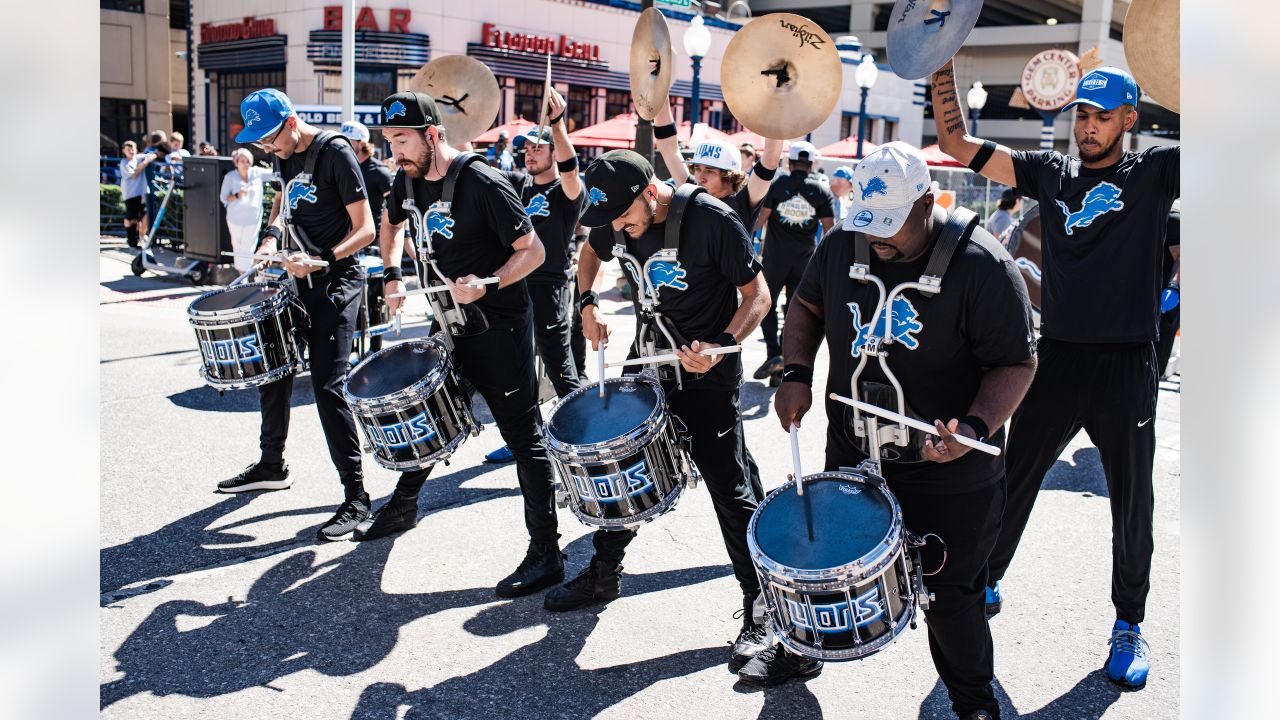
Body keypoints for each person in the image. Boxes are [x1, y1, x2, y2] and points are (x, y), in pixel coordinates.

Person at [931, 60, 1179, 689]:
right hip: (1058, 357)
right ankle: (986, 578)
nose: (1088, 128)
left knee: (1132, 502)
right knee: (1010, 478)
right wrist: (939, 63)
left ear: (1129, 119)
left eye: (1102, 117)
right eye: (1082, 116)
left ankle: (1128, 623)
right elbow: (958, 145)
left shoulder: (1154, 174)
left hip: (1127, 363)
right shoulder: (1051, 173)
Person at [765, 143, 1036, 716]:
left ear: (925, 202)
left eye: (890, 226)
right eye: (868, 223)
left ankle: (972, 701)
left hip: (949, 468)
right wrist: (795, 371)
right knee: (823, 558)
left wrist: (975, 425)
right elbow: (807, 307)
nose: (877, 238)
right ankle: (801, 646)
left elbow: (1017, 363)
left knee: (949, 595)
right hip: (855, 446)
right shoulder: (843, 244)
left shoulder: (983, 264)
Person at [564, 150, 773, 677]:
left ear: (650, 193)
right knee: (625, 466)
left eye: (625, 218)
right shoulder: (616, 219)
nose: (618, 229)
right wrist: (586, 303)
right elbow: (591, 250)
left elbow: (759, 296)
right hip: (651, 358)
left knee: (729, 485)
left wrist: (722, 345)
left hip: (709, 368)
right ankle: (604, 570)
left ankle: (761, 606)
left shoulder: (711, 219)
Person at [361, 91, 568, 602]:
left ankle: (547, 554)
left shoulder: (481, 182)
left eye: (403, 140)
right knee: (431, 410)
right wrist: (391, 273)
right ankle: (405, 503)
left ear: (433, 134)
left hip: (498, 324)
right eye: (389, 141)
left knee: (524, 438)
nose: (395, 152)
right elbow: (390, 223)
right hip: (449, 321)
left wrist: (490, 282)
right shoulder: (406, 179)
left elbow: (535, 251)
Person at [216, 88, 377, 546]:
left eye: (269, 139)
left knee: (328, 388)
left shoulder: (335, 153)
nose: (266, 149)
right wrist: (269, 241)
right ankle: (272, 465)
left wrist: (323, 258)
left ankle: (356, 496)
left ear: (291, 123)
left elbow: (365, 229)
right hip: (297, 278)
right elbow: (281, 204)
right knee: (275, 369)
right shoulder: (285, 157)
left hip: (337, 280)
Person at [485, 89, 586, 464]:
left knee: (559, 365)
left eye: (537, 149)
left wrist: (558, 126)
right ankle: (522, 438)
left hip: (551, 286)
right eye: (525, 150)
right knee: (516, 366)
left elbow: (572, 170)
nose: (529, 154)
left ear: (552, 152)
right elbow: (480, 174)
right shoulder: (520, 185)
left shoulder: (566, 190)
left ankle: (581, 436)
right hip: (517, 283)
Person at [753, 141, 836, 380]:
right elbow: (829, 230)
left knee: (766, 304)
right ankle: (784, 362)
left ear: (790, 163)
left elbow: (760, 220)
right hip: (805, 263)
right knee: (794, 311)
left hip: (774, 259)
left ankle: (773, 354)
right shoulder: (821, 191)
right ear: (810, 165)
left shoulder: (779, 184)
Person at [652, 99, 782, 231]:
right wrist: (661, 92)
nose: (700, 177)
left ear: (730, 177)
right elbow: (668, 148)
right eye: (697, 168)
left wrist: (775, 101)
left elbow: (770, 161)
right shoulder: (693, 191)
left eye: (710, 171)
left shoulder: (743, 202)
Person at [219, 148, 271, 272]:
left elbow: (274, 174)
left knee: (249, 247)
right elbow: (223, 198)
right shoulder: (230, 177)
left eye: (247, 161)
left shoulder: (257, 172)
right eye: (242, 161)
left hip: (253, 218)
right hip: (235, 219)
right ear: (237, 163)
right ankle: (243, 275)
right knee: (238, 247)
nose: (245, 164)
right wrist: (237, 195)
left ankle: (246, 274)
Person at [340, 120, 395, 231]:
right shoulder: (340, 167)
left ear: (362, 144)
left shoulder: (379, 171)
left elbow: (395, 210)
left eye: (348, 142)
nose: (342, 146)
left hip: (372, 240)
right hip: (346, 236)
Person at [1155, 207, 1180, 380]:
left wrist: (1173, 286)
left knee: (1153, 370)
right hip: (1133, 308)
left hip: (1163, 312)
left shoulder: (1173, 221)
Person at [118, 141, 148, 248]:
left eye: (133, 148)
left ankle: (139, 237)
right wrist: (145, 163)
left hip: (141, 192)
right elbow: (134, 175)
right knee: (131, 218)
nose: (131, 151)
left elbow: (152, 155)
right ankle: (131, 240)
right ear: (124, 151)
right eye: (128, 149)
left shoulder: (139, 158)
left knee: (142, 216)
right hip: (130, 193)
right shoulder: (124, 163)